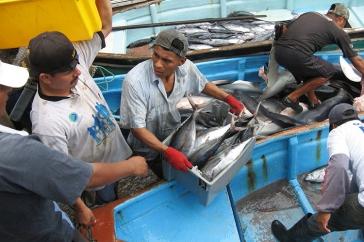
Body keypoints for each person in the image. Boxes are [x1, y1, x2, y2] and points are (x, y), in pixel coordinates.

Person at [0, 60, 148, 242]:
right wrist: (131, 166)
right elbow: (82, 177)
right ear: (46, 78)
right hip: (47, 234)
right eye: (2, 87)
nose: (9, 91)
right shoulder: (23, 147)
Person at [29, 0, 138, 224]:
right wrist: (79, 208)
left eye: (77, 64)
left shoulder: (74, 62)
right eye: (68, 71)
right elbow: (63, 175)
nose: (79, 72)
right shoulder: (48, 124)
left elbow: (105, 27)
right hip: (97, 179)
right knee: (107, 206)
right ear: (45, 78)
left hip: (117, 152)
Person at [119, 29, 245, 177]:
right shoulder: (134, 81)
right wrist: (167, 151)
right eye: (155, 55)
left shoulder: (187, 67)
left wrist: (228, 99)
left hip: (175, 136)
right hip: (145, 148)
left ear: (181, 61)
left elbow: (202, 84)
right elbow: (137, 129)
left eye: (166, 60)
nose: (158, 64)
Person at [271, 103, 364, 241]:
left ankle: (289, 238)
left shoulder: (338, 132)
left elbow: (339, 167)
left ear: (333, 125)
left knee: (323, 221)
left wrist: (326, 209)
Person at [274, 3, 364, 113]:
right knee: (329, 71)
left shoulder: (309, 15)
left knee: (310, 69)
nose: (343, 28)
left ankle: (313, 101)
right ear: (340, 19)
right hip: (297, 55)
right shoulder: (337, 30)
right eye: (344, 24)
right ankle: (292, 97)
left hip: (278, 52)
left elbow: (283, 29)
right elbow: (356, 60)